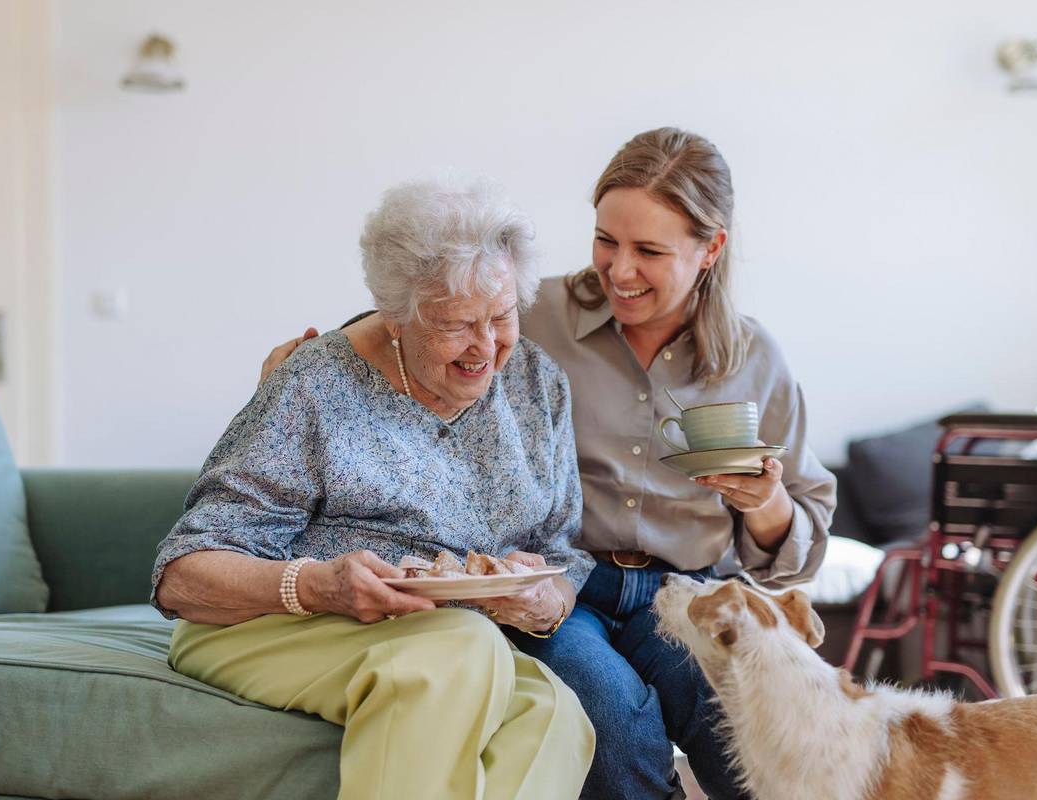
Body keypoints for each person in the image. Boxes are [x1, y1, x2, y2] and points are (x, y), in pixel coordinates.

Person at [263, 128, 836, 800]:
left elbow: (803, 543)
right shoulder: (532, 316)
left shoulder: (756, 360)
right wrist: (302, 368)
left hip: (688, 590)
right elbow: (417, 322)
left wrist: (761, 504)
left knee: (750, 724)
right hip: (562, 587)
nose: (619, 271)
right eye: (606, 241)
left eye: (649, 251)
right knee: (615, 727)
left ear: (711, 248)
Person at [153, 175, 595, 800]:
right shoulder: (316, 383)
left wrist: (543, 594)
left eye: (502, 317)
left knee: (553, 714)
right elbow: (181, 576)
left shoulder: (536, 384)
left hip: (440, 635)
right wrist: (317, 584)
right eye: (457, 325)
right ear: (397, 316)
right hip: (271, 622)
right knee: (460, 651)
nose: (486, 346)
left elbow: (562, 549)